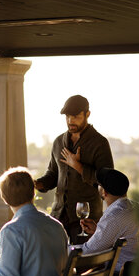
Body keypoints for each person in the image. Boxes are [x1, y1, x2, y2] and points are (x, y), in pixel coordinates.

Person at [35, 94, 114, 244]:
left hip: (86, 220)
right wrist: (35, 184)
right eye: (68, 117)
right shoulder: (59, 142)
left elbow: (107, 181)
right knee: (57, 264)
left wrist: (78, 166)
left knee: (83, 264)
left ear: (87, 114)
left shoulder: (100, 143)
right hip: (58, 217)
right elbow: (52, 175)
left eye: (76, 116)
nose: (71, 121)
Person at [80, 167, 139, 273]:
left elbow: (88, 251)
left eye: (99, 185)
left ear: (104, 192)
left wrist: (60, 248)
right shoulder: (137, 207)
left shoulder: (115, 215)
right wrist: (98, 230)